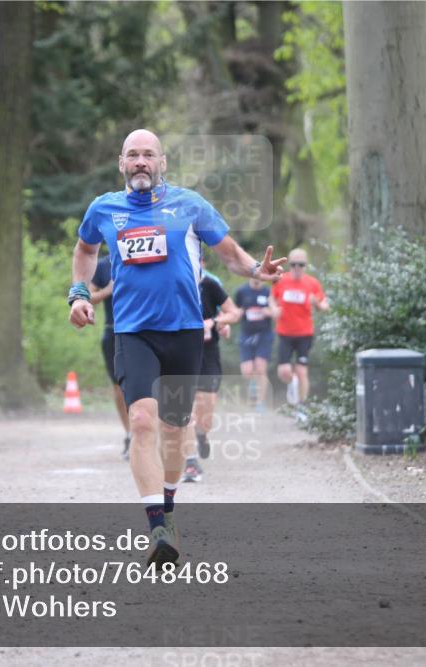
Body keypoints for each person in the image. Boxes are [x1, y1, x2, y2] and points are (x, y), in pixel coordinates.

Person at [68, 129, 285, 567]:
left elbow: (229, 253)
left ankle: (167, 508)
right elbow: (86, 249)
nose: (141, 162)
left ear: (162, 162)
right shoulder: (104, 208)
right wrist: (78, 292)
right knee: (141, 421)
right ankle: (157, 529)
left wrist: (255, 271)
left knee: (173, 429)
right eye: (133, 155)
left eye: (149, 155)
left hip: (185, 331)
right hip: (133, 332)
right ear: (121, 163)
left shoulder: (190, 205)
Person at [182, 266, 240, 483]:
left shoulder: (210, 283)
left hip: (208, 353)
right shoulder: (171, 282)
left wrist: (217, 323)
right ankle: (190, 461)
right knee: (186, 407)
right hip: (181, 350)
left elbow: (233, 313)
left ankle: (201, 434)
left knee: (206, 407)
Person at [270, 248, 329, 417]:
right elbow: (271, 298)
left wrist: (317, 303)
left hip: (304, 333)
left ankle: (302, 407)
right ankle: (293, 383)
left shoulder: (312, 283)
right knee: (284, 372)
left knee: (302, 371)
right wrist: (274, 309)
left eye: (301, 265)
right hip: (285, 332)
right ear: (289, 265)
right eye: (293, 264)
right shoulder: (281, 280)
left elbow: (325, 306)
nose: (297, 268)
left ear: (306, 265)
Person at [89, 254, 131, 459]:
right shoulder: (103, 265)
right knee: (119, 387)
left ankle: (148, 432)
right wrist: (108, 290)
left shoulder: (148, 253)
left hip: (146, 330)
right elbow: (88, 296)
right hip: (113, 332)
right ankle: (130, 434)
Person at [234, 276, 275, 411]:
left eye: (259, 275)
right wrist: (239, 313)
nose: (257, 278)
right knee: (247, 371)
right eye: (254, 275)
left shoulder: (268, 292)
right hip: (246, 334)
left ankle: (260, 402)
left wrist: (268, 312)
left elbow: (277, 313)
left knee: (260, 368)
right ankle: (253, 383)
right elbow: (234, 312)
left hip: (264, 334)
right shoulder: (241, 291)